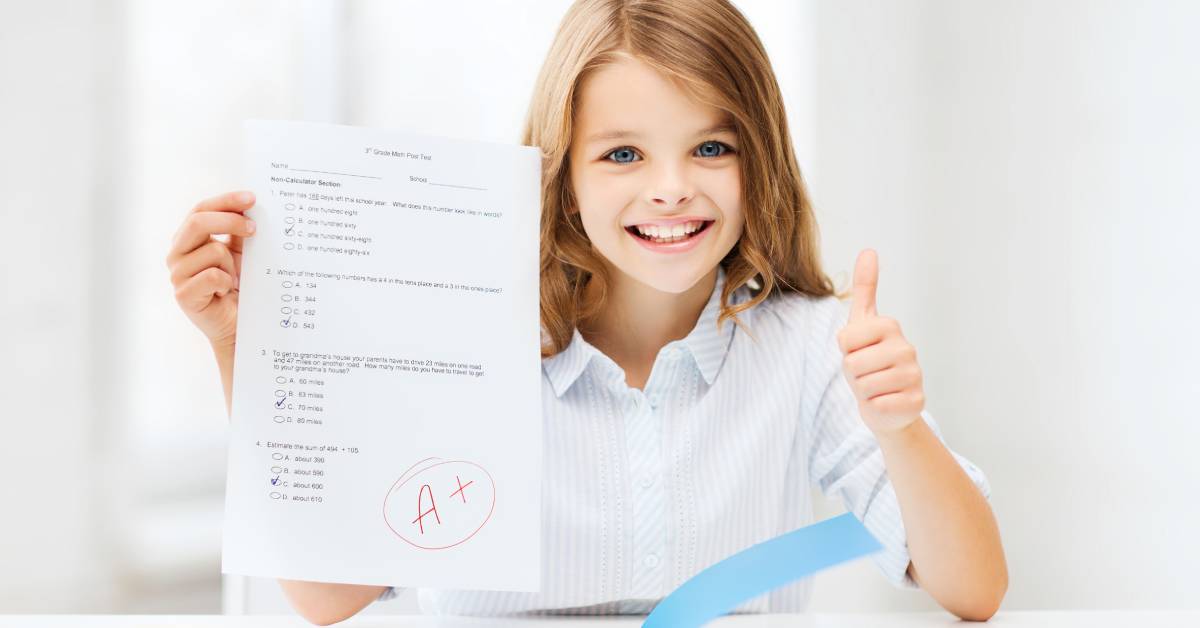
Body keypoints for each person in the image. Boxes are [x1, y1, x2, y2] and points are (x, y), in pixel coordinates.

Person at [165, 0, 1006, 624]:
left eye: (711, 147)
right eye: (623, 154)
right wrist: (245, 345)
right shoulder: (470, 338)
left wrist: (899, 429)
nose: (671, 185)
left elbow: (975, 589)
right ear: (563, 176)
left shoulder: (807, 347)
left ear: (763, 163)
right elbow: (327, 596)